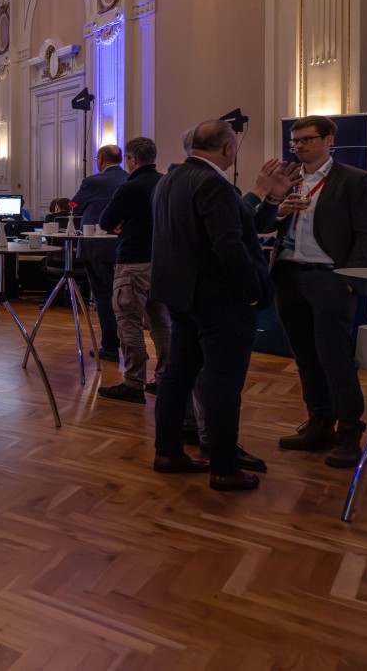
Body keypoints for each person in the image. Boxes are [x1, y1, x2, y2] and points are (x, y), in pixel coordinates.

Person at [150, 120, 273, 491]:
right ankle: (224, 468)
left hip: (181, 296)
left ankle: (167, 452)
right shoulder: (213, 183)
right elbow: (228, 244)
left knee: (177, 376)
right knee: (223, 383)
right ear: (228, 149)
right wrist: (252, 291)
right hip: (219, 300)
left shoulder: (169, 179)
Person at [270, 115, 367, 468]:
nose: (298, 146)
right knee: (305, 356)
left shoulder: (354, 179)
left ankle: (349, 432)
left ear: (329, 140)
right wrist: (277, 210)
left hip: (331, 279)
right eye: (295, 140)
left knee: (335, 357)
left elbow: (366, 233)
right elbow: (263, 223)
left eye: (307, 139)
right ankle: (320, 423)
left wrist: (352, 280)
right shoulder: (287, 179)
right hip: (288, 275)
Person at [96, 137, 171, 403]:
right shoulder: (166, 183)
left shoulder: (130, 186)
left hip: (132, 262)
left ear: (132, 159)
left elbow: (106, 221)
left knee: (129, 323)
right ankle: (165, 379)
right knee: (162, 323)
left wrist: (123, 223)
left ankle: (133, 382)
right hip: (162, 263)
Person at [71, 144, 126, 362]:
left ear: (101, 159)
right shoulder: (129, 179)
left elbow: (75, 207)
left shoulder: (93, 182)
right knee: (125, 299)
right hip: (124, 247)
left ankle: (110, 347)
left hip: (97, 247)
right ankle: (129, 345)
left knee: (103, 297)